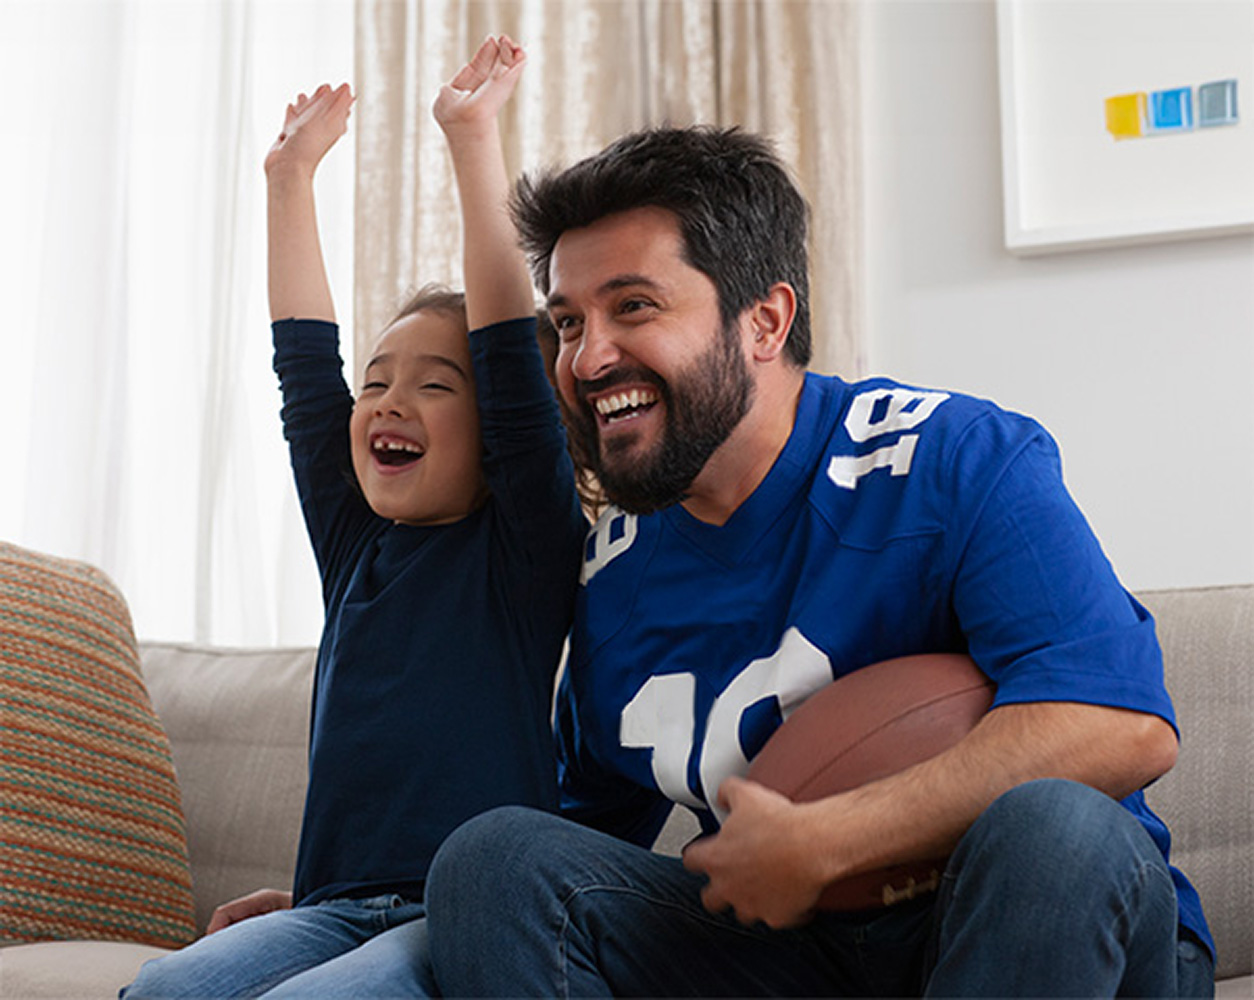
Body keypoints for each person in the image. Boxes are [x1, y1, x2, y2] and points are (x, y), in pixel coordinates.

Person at [424, 125, 1216, 997]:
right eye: (569, 322)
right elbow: (580, 832)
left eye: (633, 307)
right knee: (497, 859)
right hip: (793, 956)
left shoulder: (955, 457)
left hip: (1038, 924)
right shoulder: (612, 572)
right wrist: (357, 899)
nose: (586, 357)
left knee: (1057, 826)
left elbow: (1121, 723)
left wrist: (831, 839)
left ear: (766, 320)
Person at [123, 36, 585, 999]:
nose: (385, 402)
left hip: (457, 912)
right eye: (375, 383)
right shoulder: (356, 547)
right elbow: (303, 371)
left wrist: (470, 137)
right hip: (326, 906)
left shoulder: (523, 554)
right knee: (162, 992)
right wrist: (289, 178)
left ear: (500, 439)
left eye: (432, 385)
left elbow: (508, 351)